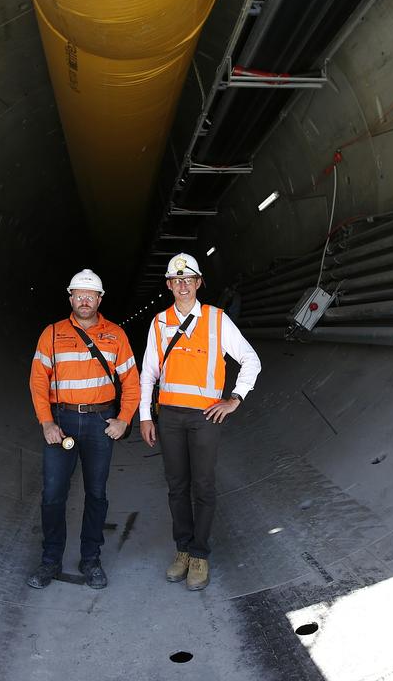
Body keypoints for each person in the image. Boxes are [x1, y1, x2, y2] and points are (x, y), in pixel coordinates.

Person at [138, 253, 261, 591]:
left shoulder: (217, 320)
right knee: (177, 487)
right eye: (176, 280)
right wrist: (146, 416)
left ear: (198, 283)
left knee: (203, 487)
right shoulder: (159, 322)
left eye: (188, 279)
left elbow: (251, 359)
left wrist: (234, 399)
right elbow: (148, 373)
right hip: (170, 417)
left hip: (205, 417)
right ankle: (182, 550)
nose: (182, 285)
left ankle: (200, 554)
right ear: (168, 285)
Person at [27, 268, 140, 589]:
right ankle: (50, 560)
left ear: (100, 299)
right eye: (79, 294)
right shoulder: (51, 334)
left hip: (99, 422)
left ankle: (91, 559)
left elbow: (131, 381)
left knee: (96, 494)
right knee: (52, 495)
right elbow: (38, 382)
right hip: (61, 422)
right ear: (71, 297)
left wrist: (124, 419)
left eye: (91, 295)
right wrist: (46, 422)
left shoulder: (116, 335)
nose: (85, 299)